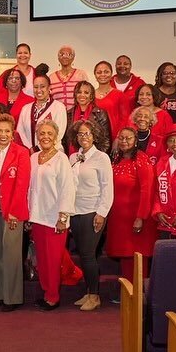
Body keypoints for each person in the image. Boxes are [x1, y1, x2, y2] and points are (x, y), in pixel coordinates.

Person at [0, 113, 30, 311]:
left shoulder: (21, 152)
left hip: (12, 204)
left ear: (13, 133)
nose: (3, 134)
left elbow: (22, 184)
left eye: (7, 131)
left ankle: (12, 297)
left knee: (11, 251)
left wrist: (14, 211)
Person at [28, 119, 75, 311]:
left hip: (55, 218)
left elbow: (68, 189)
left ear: (56, 137)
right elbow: (29, 188)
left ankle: (53, 297)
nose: (45, 137)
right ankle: (46, 291)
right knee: (43, 259)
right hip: (37, 217)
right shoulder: (33, 157)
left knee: (54, 259)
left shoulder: (61, 159)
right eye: (42, 133)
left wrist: (63, 217)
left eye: (49, 133)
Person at [67, 119, 113, 311]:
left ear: (94, 135)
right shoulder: (73, 157)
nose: (84, 137)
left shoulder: (101, 157)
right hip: (75, 211)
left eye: (87, 133)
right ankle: (88, 291)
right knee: (84, 254)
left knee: (88, 255)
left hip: (92, 211)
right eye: (80, 134)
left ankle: (95, 295)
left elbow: (107, 188)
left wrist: (101, 213)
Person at [106, 127, 156, 285]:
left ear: (136, 141)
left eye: (128, 138)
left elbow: (147, 190)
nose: (124, 141)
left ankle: (139, 295)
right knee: (125, 255)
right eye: (121, 138)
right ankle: (127, 291)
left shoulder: (142, 159)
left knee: (138, 257)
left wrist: (140, 217)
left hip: (136, 218)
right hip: (119, 218)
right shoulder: (116, 159)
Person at [17, 65, 67, 152]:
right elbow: (20, 132)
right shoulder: (26, 108)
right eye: (36, 87)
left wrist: (37, 148)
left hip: (53, 152)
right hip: (29, 154)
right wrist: (30, 149)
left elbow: (58, 133)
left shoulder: (59, 107)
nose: (39, 90)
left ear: (49, 88)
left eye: (42, 86)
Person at [65, 81, 111, 153]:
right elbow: (65, 140)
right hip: (72, 157)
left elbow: (105, 141)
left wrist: (97, 158)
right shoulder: (69, 113)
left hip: (94, 156)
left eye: (86, 92)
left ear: (91, 96)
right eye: (79, 92)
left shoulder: (100, 113)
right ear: (75, 94)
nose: (82, 95)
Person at [93, 61, 130, 139]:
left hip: (114, 138)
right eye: (99, 72)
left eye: (106, 72)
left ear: (111, 74)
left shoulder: (120, 95)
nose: (102, 75)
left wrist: (118, 138)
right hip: (94, 138)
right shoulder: (91, 95)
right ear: (95, 75)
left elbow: (125, 120)